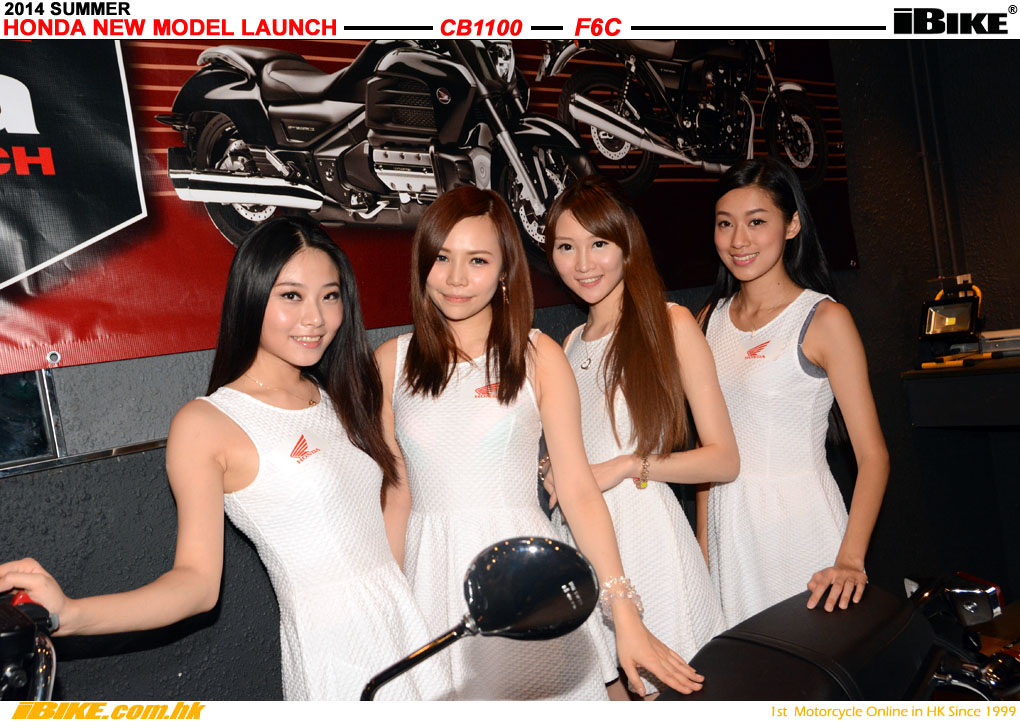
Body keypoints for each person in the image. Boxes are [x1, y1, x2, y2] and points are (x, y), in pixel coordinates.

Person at [0, 219, 451, 701]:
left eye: (330, 296)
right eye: (291, 296)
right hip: (338, 651)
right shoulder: (207, 423)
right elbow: (196, 585)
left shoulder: (341, 393)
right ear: (251, 297)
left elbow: (389, 505)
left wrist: (401, 601)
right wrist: (71, 613)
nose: (316, 318)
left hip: (407, 626)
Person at [375, 186, 703, 700]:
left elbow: (578, 491)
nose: (456, 278)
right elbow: (396, 498)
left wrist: (624, 612)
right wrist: (389, 613)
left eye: (478, 260)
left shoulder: (539, 355)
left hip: (527, 578)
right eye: (442, 257)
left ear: (505, 270)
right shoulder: (390, 362)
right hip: (429, 579)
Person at [541, 174, 738, 695]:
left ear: (627, 246)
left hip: (647, 534)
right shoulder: (568, 345)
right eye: (566, 247)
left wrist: (630, 464)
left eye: (598, 244)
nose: (583, 263)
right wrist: (552, 467)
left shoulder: (670, 323)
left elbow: (724, 459)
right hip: (581, 539)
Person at [699, 158, 889, 628]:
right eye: (725, 223)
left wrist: (850, 560)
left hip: (800, 526)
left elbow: (873, 456)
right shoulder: (706, 321)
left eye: (756, 222)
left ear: (792, 225)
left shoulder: (824, 319)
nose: (738, 240)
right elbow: (707, 452)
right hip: (729, 529)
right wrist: (703, 556)